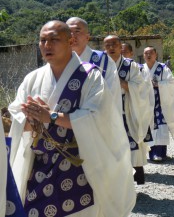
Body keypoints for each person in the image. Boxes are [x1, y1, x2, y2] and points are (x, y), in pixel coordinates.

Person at [8, 20, 136, 217]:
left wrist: (49, 116)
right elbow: (16, 113)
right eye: (42, 40)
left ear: (70, 41)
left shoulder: (91, 77)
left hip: (78, 164)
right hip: (39, 165)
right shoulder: (32, 78)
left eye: (54, 39)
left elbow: (97, 117)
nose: (47, 45)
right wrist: (32, 120)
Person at [104, 35, 153, 184]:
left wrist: (121, 83)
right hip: (106, 113)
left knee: (131, 145)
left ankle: (132, 180)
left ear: (120, 47)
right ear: (103, 49)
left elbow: (141, 87)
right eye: (107, 45)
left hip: (127, 111)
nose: (111, 48)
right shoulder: (100, 65)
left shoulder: (131, 66)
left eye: (114, 44)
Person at [66, 17, 122, 113]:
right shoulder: (58, 61)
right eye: (69, 32)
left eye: (77, 31)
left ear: (87, 37)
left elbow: (112, 96)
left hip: (95, 122)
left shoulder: (103, 61)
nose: (72, 35)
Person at [140, 46, 174, 161]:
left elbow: (171, 83)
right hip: (146, 103)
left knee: (161, 126)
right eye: (146, 53)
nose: (148, 55)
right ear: (143, 55)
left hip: (161, 102)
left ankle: (161, 152)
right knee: (150, 127)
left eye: (151, 53)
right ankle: (153, 154)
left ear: (155, 55)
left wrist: (158, 85)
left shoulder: (163, 68)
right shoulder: (140, 69)